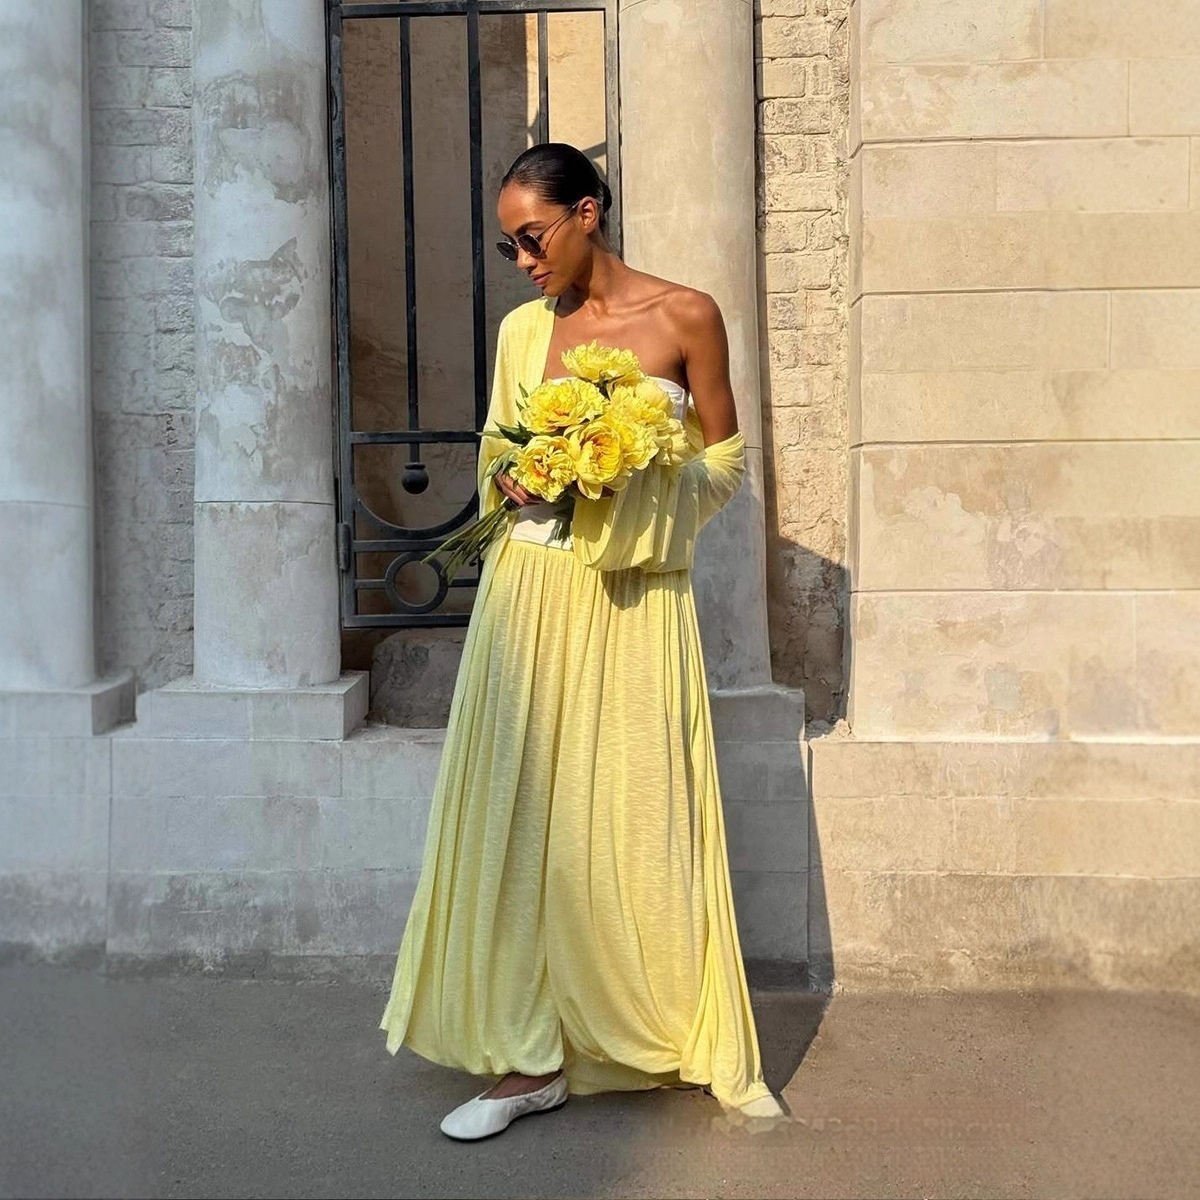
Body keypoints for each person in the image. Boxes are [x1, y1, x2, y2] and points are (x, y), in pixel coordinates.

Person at [379, 142, 785, 1140]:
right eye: (510, 247)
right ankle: (529, 1059)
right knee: (522, 822)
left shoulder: (687, 316)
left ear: (588, 212)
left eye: (533, 238)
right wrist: (515, 478)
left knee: (639, 817)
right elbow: (495, 453)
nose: (524, 261)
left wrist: (631, 479)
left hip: (636, 600)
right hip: (528, 595)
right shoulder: (524, 334)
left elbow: (725, 466)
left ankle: (673, 1035)